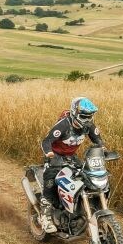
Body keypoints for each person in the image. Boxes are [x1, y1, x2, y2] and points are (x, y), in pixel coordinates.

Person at [37, 97, 103, 233]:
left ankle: (79, 207)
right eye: (84, 116)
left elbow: (98, 141)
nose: (87, 119)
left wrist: (104, 151)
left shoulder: (89, 125)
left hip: (71, 157)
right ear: (75, 112)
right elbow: (46, 141)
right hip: (55, 157)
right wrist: (49, 153)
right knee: (50, 180)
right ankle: (45, 215)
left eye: (90, 116)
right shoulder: (64, 125)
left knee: (86, 177)